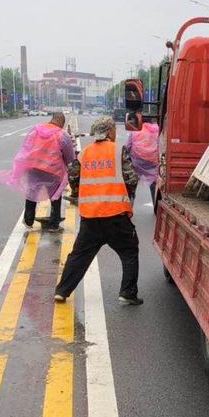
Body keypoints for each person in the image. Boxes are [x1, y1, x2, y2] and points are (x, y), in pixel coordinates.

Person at [54, 116, 143, 305]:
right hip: (116, 215)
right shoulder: (118, 150)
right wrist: (127, 194)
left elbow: (73, 177)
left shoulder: (84, 153)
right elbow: (131, 179)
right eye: (114, 129)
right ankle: (127, 293)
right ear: (110, 131)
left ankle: (62, 291)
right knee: (129, 250)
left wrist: (79, 193)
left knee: (79, 255)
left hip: (90, 217)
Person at [0, 112, 75, 231]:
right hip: (53, 171)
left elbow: (26, 148)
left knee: (32, 193)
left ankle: (28, 221)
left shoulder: (35, 130)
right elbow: (70, 156)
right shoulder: (62, 135)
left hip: (33, 168)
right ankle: (54, 224)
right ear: (62, 122)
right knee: (55, 196)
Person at [125, 118, 160, 202]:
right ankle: (154, 203)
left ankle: (131, 203)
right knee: (153, 184)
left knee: (133, 185)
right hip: (152, 164)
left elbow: (127, 147)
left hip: (137, 164)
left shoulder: (135, 131)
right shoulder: (156, 130)